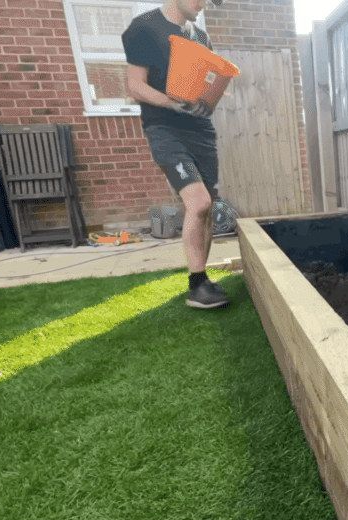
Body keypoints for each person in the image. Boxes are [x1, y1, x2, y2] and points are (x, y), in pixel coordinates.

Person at [122, 0, 228, 309]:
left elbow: (205, 90)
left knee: (207, 206)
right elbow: (135, 85)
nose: (204, 4)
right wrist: (171, 103)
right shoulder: (144, 28)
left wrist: (205, 102)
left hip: (201, 132)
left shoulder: (200, 37)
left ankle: (203, 279)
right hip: (164, 129)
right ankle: (196, 286)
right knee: (199, 202)